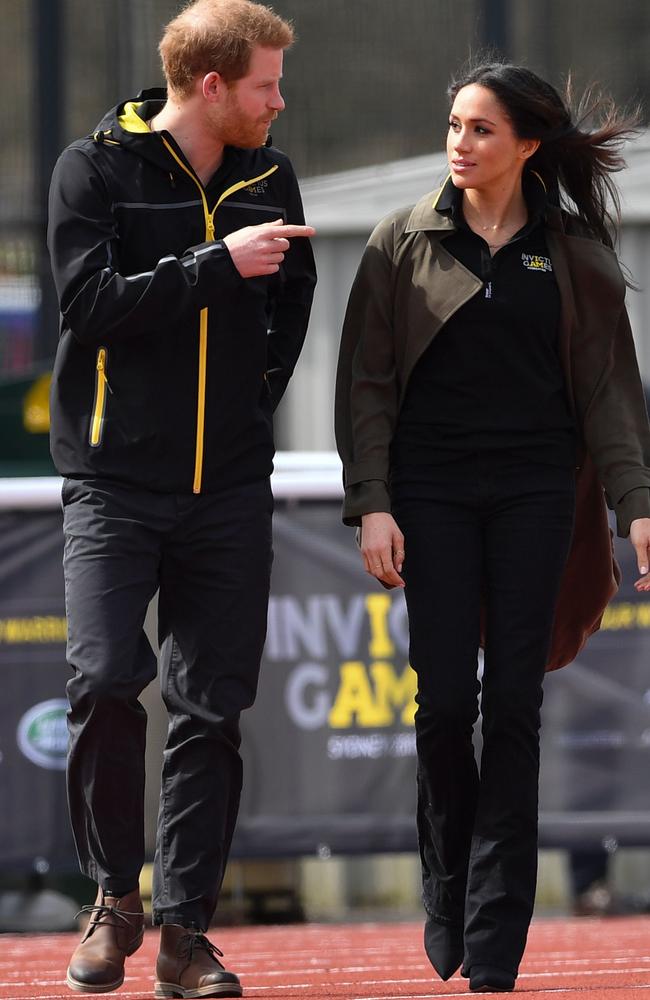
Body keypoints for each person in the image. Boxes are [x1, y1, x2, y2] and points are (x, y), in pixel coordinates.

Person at [335, 61, 650, 993]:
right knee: (443, 710)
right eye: (454, 125)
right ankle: (447, 885)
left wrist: (637, 509)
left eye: (479, 129)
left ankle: (497, 924)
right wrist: (374, 502)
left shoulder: (577, 252)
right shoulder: (401, 241)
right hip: (427, 496)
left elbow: (611, 399)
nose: (459, 143)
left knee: (515, 705)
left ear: (526, 145)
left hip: (533, 495)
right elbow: (366, 387)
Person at [47, 0, 316, 995]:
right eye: (265, 86)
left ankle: (185, 935)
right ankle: (115, 896)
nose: (278, 102)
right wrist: (213, 266)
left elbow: (292, 302)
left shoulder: (267, 176)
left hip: (229, 490)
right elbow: (87, 304)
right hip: (112, 484)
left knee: (213, 708)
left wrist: (255, 402)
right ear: (212, 87)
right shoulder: (93, 169)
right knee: (103, 678)